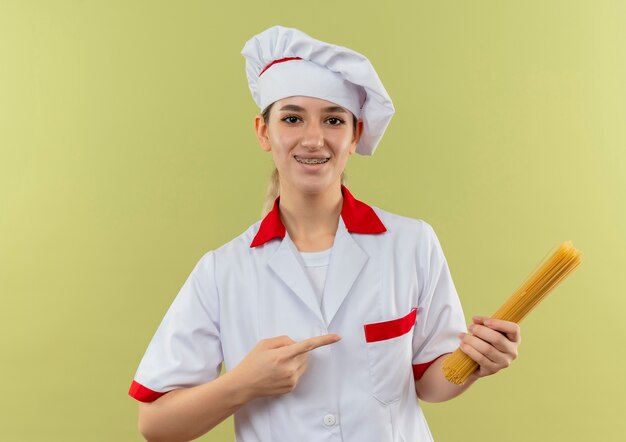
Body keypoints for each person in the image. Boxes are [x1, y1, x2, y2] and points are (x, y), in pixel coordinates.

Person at [128, 25, 521, 442]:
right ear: (264, 131)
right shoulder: (223, 271)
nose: (313, 139)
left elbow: (429, 382)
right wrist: (241, 384)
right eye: (292, 118)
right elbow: (155, 424)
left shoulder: (411, 245)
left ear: (354, 135)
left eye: (333, 120)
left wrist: (476, 363)